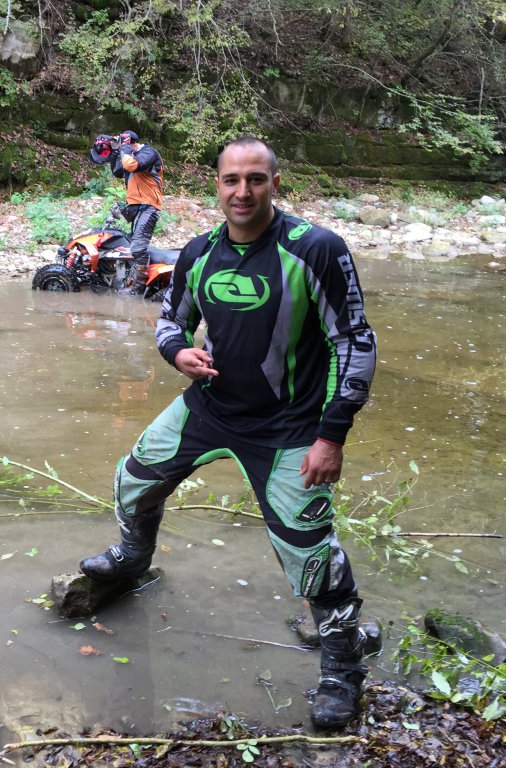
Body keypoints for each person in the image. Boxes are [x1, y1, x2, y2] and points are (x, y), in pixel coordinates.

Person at [80, 136, 380, 729]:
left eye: (255, 179)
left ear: (274, 183)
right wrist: (177, 354)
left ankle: (343, 669)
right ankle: (135, 559)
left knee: (308, 550)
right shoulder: (199, 251)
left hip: (290, 425)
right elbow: (171, 319)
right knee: (133, 479)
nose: (243, 191)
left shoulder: (315, 248)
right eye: (231, 180)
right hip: (210, 407)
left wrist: (332, 435)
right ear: (216, 185)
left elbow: (355, 341)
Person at [110, 130, 164, 294]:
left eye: (124, 143)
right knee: (132, 245)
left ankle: (137, 288)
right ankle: (132, 281)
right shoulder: (129, 156)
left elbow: (131, 165)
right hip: (136, 207)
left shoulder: (149, 153)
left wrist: (124, 146)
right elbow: (118, 171)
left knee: (138, 248)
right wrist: (115, 151)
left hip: (150, 206)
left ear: (131, 142)